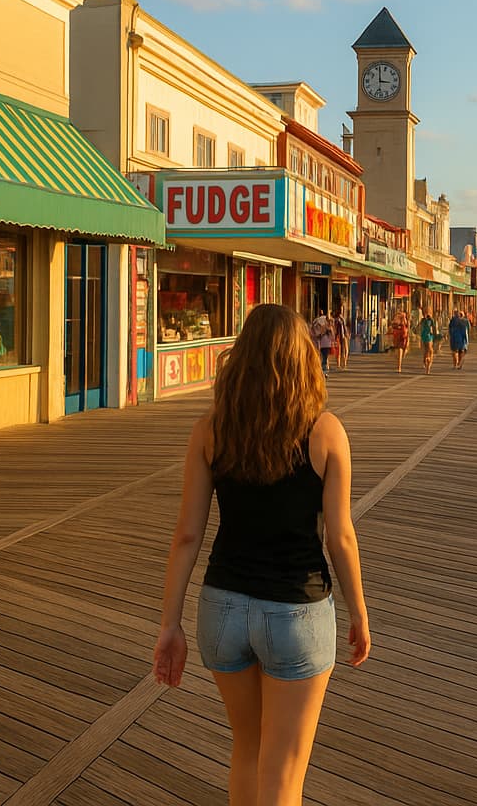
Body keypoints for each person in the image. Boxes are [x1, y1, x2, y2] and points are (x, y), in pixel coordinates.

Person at [154, 304, 371, 804]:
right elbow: (340, 536)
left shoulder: (210, 430)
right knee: (283, 774)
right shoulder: (325, 432)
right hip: (296, 609)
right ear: (304, 360)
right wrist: (359, 613)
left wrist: (170, 625)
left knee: (247, 750)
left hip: (222, 609)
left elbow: (186, 535)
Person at [417, 310, 440, 374]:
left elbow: (418, 327)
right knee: (431, 351)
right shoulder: (431, 320)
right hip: (429, 337)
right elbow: (434, 329)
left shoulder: (422, 320)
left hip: (423, 337)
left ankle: (425, 361)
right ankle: (428, 367)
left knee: (425, 351)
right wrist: (436, 336)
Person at [389, 308, 410, 373]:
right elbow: (393, 326)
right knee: (400, 351)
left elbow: (406, 326)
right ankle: (399, 366)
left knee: (401, 351)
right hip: (400, 336)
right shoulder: (399, 317)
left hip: (401, 335)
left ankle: (399, 365)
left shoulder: (401, 317)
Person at [332, 306, 349, 372]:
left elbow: (345, 327)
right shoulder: (337, 319)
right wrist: (335, 336)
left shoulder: (343, 318)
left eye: (342, 309)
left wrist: (347, 333)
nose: (342, 310)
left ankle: (344, 363)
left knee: (345, 349)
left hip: (344, 336)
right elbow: (335, 328)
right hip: (339, 336)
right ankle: (339, 364)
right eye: (341, 309)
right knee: (339, 350)